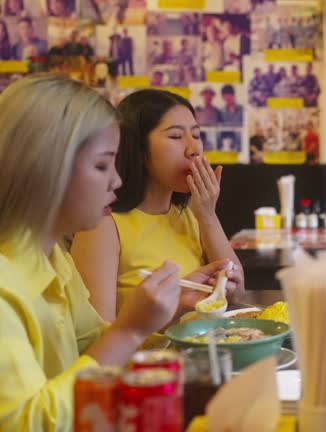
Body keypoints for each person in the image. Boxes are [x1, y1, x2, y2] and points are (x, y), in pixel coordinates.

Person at [0, 74, 226, 429]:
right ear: (46, 169)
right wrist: (130, 330)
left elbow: (91, 344)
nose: (117, 181)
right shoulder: (6, 285)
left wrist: (156, 315)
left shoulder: (52, 258)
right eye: (103, 165)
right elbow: (27, 423)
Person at [71, 89, 244, 322]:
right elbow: (96, 340)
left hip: (204, 353)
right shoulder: (103, 224)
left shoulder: (191, 215)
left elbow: (236, 293)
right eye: (175, 137)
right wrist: (177, 307)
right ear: (138, 148)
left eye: (196, 135)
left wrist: (208, 217)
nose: (193, 149)